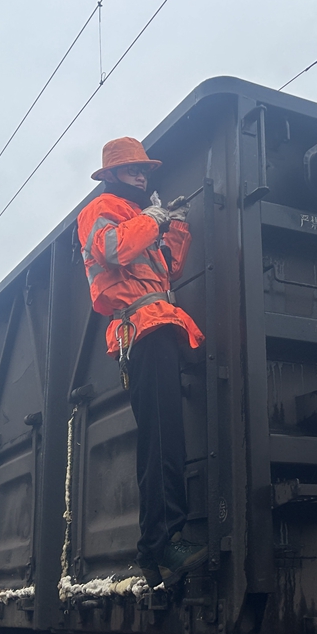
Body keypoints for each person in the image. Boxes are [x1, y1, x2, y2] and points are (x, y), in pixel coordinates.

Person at [76, 137, 207, 589]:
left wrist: (175, 226)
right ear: (112, 174)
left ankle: (157, 551)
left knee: (166, 436)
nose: (142, 176)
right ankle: (160, 544)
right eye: (133, 169)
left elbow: (165, 269)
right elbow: (114, 250)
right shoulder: (101, 211)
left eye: (145, 170)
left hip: (157, 325)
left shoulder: (138, 217)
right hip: (141, 330)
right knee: (159, 440)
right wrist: (152, 220)